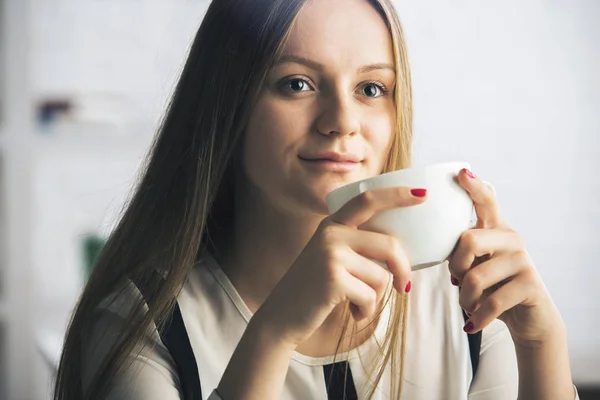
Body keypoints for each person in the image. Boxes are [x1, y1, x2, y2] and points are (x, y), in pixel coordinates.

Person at [53, 0, 580, 399]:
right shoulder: (142, 327)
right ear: (225, 108)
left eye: (372, 89)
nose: (343, 122)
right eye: (297, 84)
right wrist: (274, 334)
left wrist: (542, 346)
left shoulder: (461, 301)